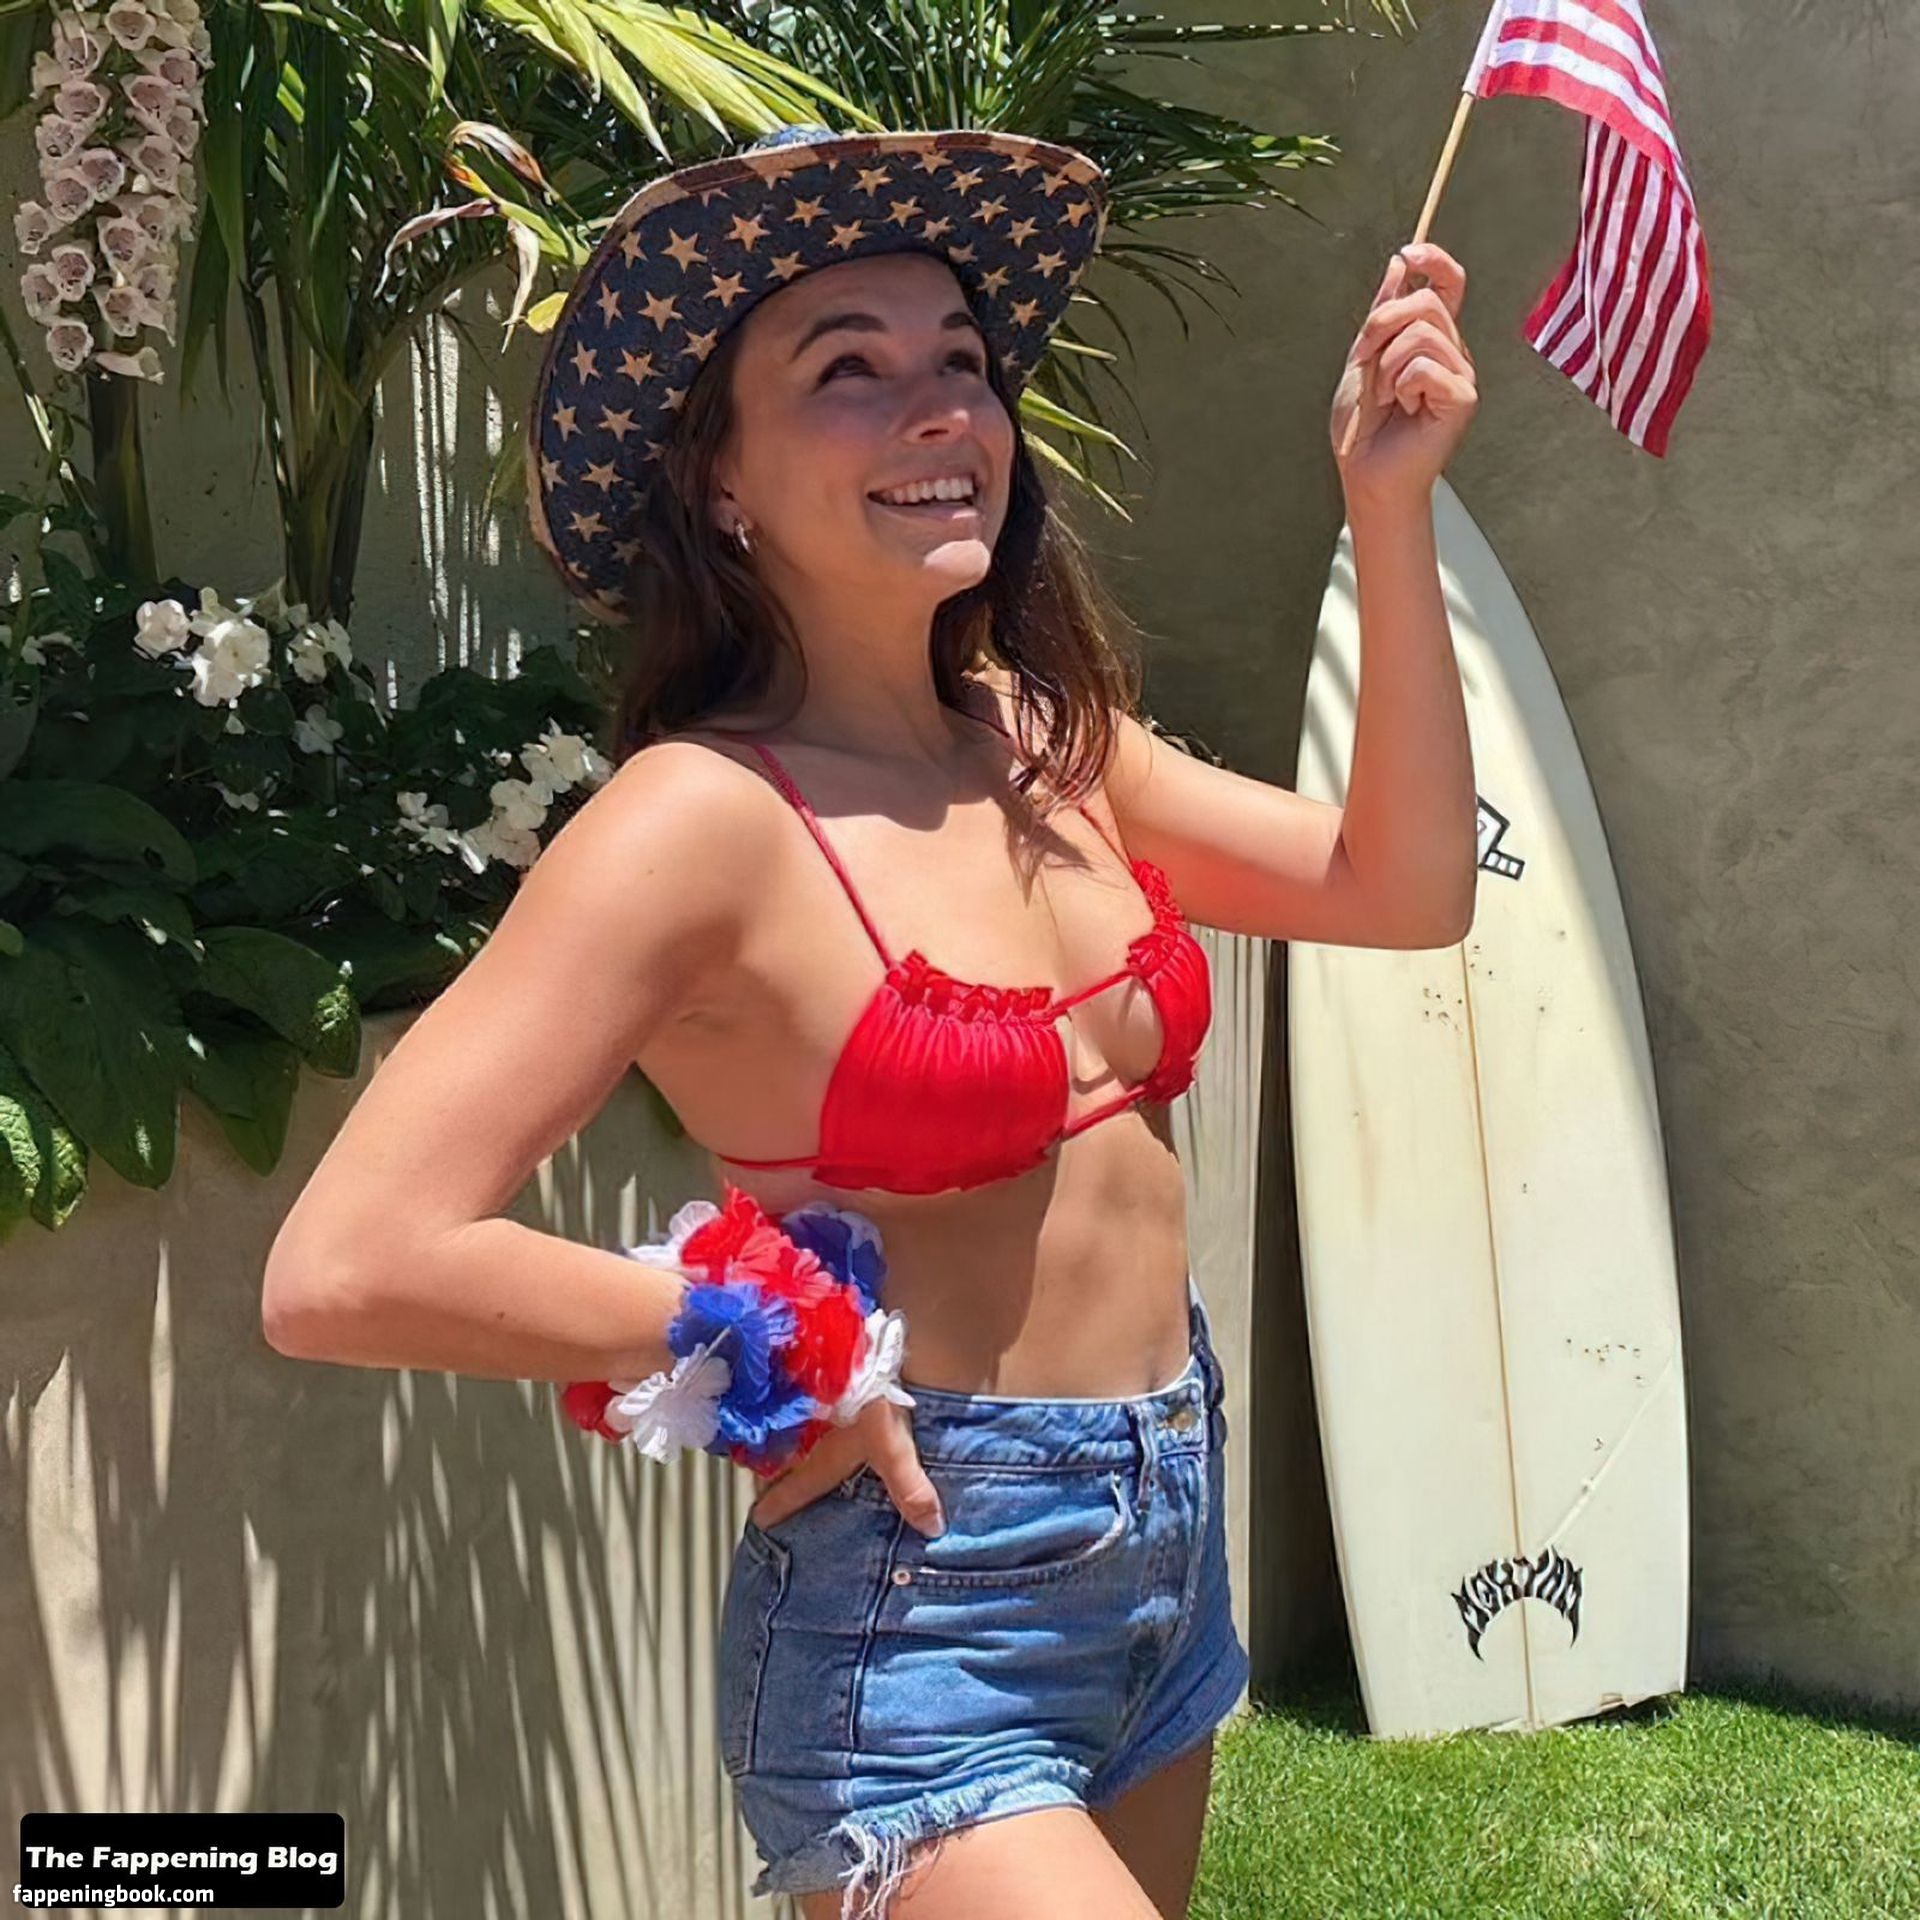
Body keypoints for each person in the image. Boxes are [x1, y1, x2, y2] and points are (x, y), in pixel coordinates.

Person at [262, 123, 1479, 1920]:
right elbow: (346, 1264)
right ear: (720, 481)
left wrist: (1388, 508)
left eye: (961, 361)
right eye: (850, 369)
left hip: (1163, 1543)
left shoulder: (1046, 741)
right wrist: (797, 1347)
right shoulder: (696, 823)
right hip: (923, 1610)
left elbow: (1404, 886)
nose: (940, 410)